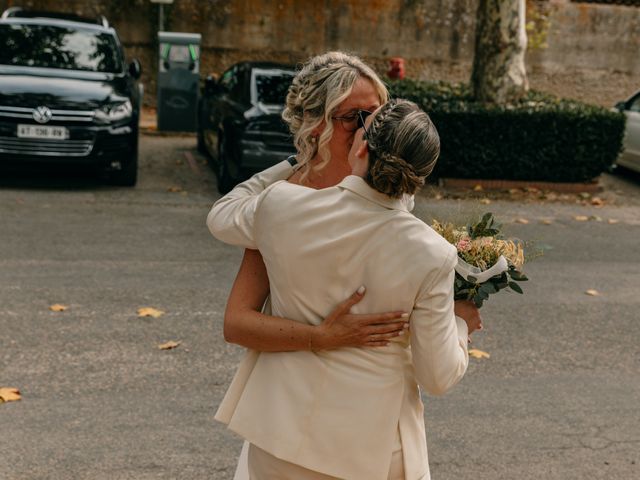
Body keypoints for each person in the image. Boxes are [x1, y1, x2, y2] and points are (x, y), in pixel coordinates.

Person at [208, 98, 481, 479]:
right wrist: (461, 323)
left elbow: (222, 216)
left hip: (279, 435)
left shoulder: (280, 205)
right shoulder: (432, 253)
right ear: (422, 174)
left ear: (362, 146)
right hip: (374, 450)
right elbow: (437, 376)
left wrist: (298, 158)